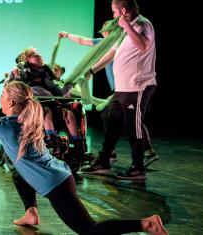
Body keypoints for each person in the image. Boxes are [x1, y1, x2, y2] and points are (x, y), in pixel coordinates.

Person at [0, 81, 168, 235]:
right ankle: (31, 213)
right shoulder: (23, 119)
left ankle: (147, 223)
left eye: (1, 95)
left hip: (55, 185)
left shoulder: (5, 127)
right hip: (60, 174)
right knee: (19, 175)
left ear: (9, 103)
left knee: (88, 230)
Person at [59, 21, 159, 167]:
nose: (103, 34)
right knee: (117, 118)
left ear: (112, 31)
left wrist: (91, 70)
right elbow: (82, 40)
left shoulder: (121, 42)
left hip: (129, 87)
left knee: (125, 119)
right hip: (119, 89)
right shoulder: (103, 43)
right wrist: (67, 35)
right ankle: (115, 154)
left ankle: (132, 155)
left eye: (105, 31)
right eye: (103, 32)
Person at [82, 0, 158, 179]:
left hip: (138, 86)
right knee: (111, 123)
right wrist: (91, 70)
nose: (113, 16)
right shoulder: (123, 31)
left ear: (123, 10)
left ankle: (138, 168)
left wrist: (127, 27)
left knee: (133, 127)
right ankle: (103, 162)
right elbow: (111, 54)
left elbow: (143, 46)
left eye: (114, 12)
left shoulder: (142, 24)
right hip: (122, 87)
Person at [8, 47, 81, 157]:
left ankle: (77, 144)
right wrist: (14, 75)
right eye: (35, 55)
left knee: (68, 113)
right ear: (27, 59)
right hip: (33, 107)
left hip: (50, 102)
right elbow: (13, 87)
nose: (40, 56)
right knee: (46, 111)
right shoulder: (21, 72)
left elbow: (58, 91)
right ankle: (52, 141)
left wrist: (70, 85)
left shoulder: (46, 74)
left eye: (39, 54)